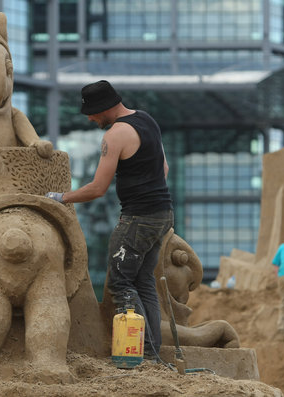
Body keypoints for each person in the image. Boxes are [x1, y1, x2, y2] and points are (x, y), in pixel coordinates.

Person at [45, 80, 173, 360]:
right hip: (162, 212)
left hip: (139, 217)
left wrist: (59, 198)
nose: (91, 119)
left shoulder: (115, 136)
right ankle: (151, 355)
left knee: (119, 283)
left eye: (91, 114)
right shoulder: (147, 120)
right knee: (143, 281)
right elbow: (164, 168)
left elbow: (97, 188)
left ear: (103, 108)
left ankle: (135, 355)